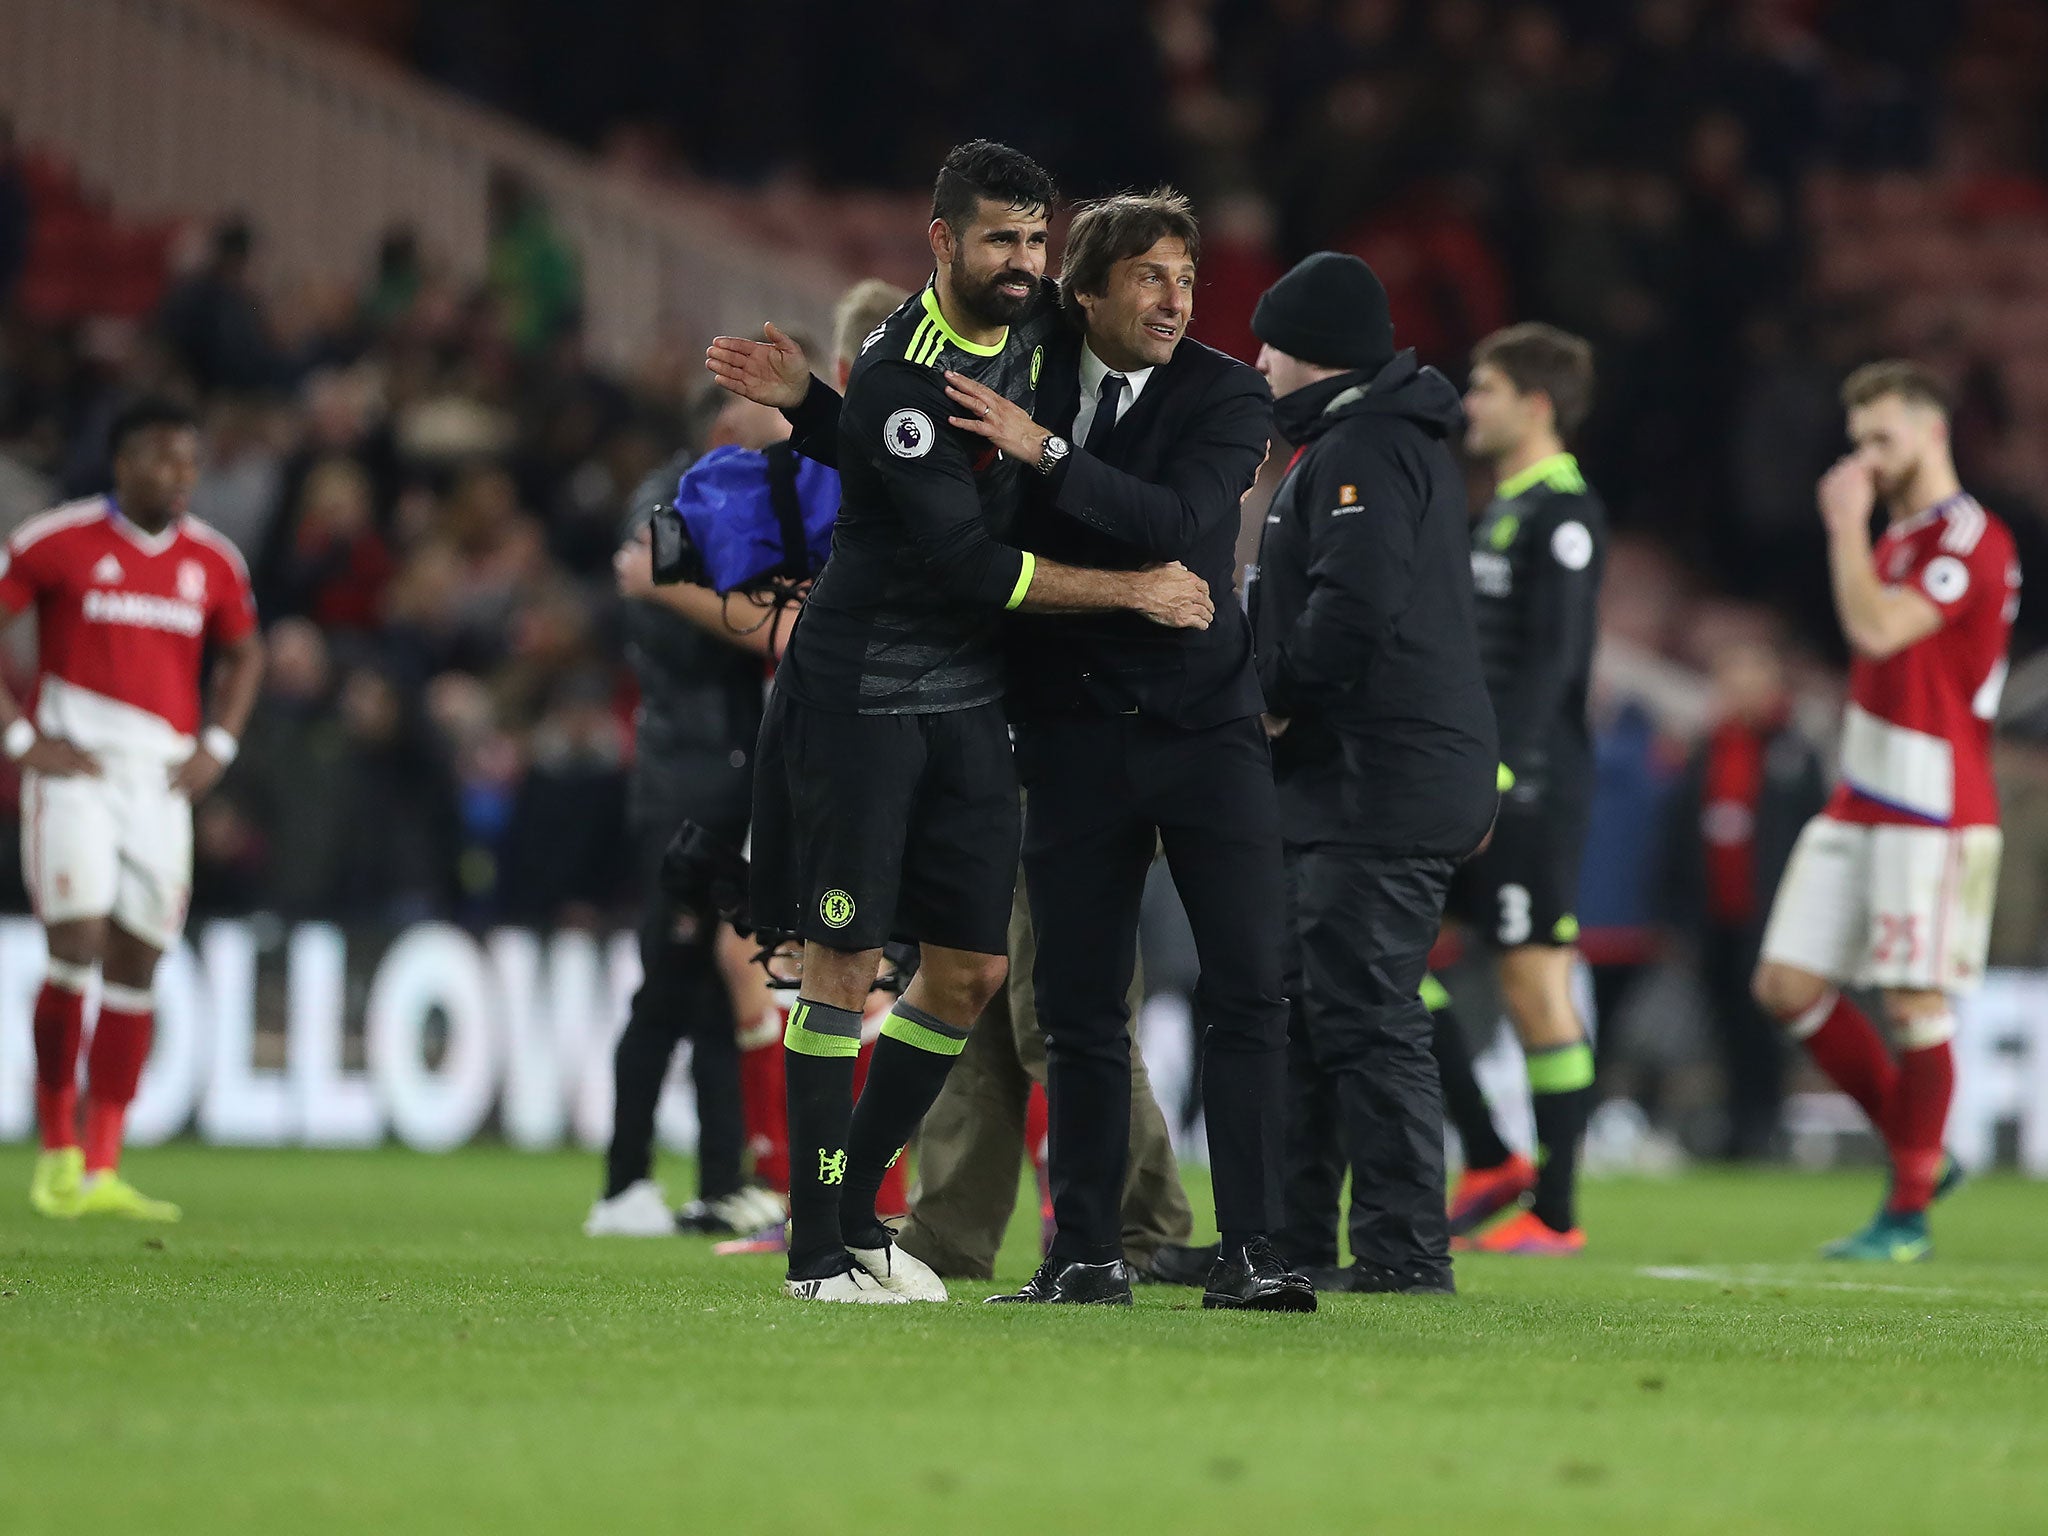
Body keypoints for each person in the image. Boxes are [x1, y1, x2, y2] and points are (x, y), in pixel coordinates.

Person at [710, 141, 1214, 1304]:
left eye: (1035, 240)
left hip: (966, 703)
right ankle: (814, 1252)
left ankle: (845, 1215)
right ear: (940, 243)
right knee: (843, 967)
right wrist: (1135, 587)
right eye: (998, 240)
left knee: (972, 973)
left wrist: (808, 406)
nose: (1021, 262)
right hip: (865, 698)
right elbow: (966, 564)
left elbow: (907, 467)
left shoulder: (1030, 332)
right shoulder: (904, 371)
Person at [938, 190, 1310, 1310]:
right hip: (1069, 732)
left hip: (1205, 731)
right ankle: (1084, 1255)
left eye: (1184, 278)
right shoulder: (1026, 359)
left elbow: (1174, 523)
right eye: (1148, 275)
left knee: (1246, 989)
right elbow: (908, 438)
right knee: (1081, 1007)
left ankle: (1248, 1250)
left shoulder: (1228, 392)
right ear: (1085, 288)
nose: (1175, 298)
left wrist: (1041, 454)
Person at [591, 281, 905, 1241]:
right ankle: (806, 1197)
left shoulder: (850, 479)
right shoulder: (783, 487)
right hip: (805, 743)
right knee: (783, 962)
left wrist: (668, 583)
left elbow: (804, 630)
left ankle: (857, 1209)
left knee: (857, 971)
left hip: (846, 741)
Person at [1250, 253, 1499, 1296]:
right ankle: (1295, 1241)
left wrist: (1271, 692)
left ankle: (1402, 1251)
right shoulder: (1365, 443)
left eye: (1267, 342)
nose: (1255, 363)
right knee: (1315, 1015)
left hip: (1377, 778)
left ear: (1308, 350)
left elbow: (1351, 609)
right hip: (1354, 777)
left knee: (1362, 1010)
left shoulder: (1361, 447)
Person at [1751, 360, 2018, 1262]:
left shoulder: (1969, 539)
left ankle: (1906, 1213)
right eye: (1857, 438)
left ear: (1932, 431)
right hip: (1861, 793)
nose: (1866, 456)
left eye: (1882, 437)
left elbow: (1876, 630)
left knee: (1913, 1001)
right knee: (1786, 984)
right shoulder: (1901, 539)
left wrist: (1841, 526)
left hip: (1934, 802)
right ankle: (1922, 1151)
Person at [9, 396, 265, 1220]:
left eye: (189, 461)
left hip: (159, 780)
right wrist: (18, 741)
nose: (179, 476)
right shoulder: (57, 542)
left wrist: (218, 746)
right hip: (75, 767)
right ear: (123, 463)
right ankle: (55, 1148)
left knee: (138, 962)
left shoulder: (214, 562)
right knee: (76, 937)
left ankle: (103, 1166)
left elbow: (245, 652)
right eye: (162, 459)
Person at [1429, 323, 1607, 1255]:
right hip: (1479, 776)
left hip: (1526, 789)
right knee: (1387, 958)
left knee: (1536, 985)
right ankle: (1495, 1154)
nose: (1471, 404)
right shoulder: (1500, 508)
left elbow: (1556, 664)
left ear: (1535, 405)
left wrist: (1504, 773)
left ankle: (1559, 1213)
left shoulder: (1563, 514)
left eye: (1485, 387)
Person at [1662, 638, 1827, 1160]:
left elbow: (1814, 834)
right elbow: (1680, 836)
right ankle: (1735, 1127)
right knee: (1723, 1023)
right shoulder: (1706, 747)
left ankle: (1765, 1126)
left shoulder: (1794, 751)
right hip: (1716, 915)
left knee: (1766, 1027)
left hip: (1772, 916)